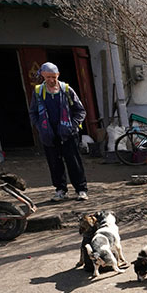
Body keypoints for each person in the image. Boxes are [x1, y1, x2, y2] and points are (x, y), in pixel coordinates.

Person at [29, 62, 89, 202]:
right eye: (48, 77)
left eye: (54, 77)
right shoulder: (38, 92)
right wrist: (40, 127)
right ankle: (60, 190)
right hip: (49, 135)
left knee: (74, 162)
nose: (51, 80)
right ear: (43, 75)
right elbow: (33, 113)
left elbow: (80, 111)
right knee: (55, 164)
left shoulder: (66, 90)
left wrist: (72, 126)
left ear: (58, 75)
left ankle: (81, 189)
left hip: (68, 134)